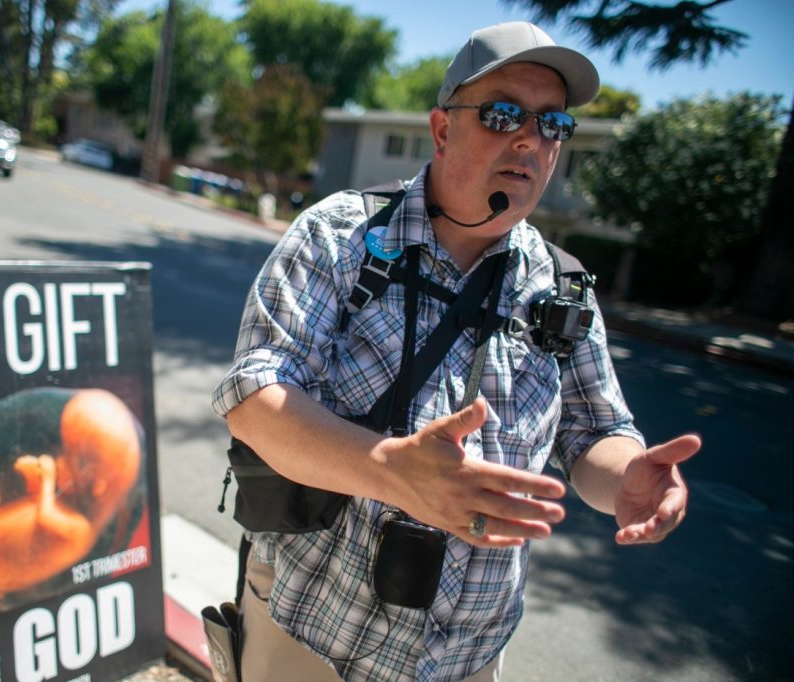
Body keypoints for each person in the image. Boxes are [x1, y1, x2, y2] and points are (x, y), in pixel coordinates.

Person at [211, 21, 701, 682]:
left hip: (466, 655)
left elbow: (595, 432)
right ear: (442, 130)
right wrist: (388, 470)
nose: (531, 139)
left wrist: (628, 479)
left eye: (553, 124)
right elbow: (254, 397)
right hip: (311, 626)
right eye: (504, 115)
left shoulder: (562, 285)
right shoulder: (338, 234)